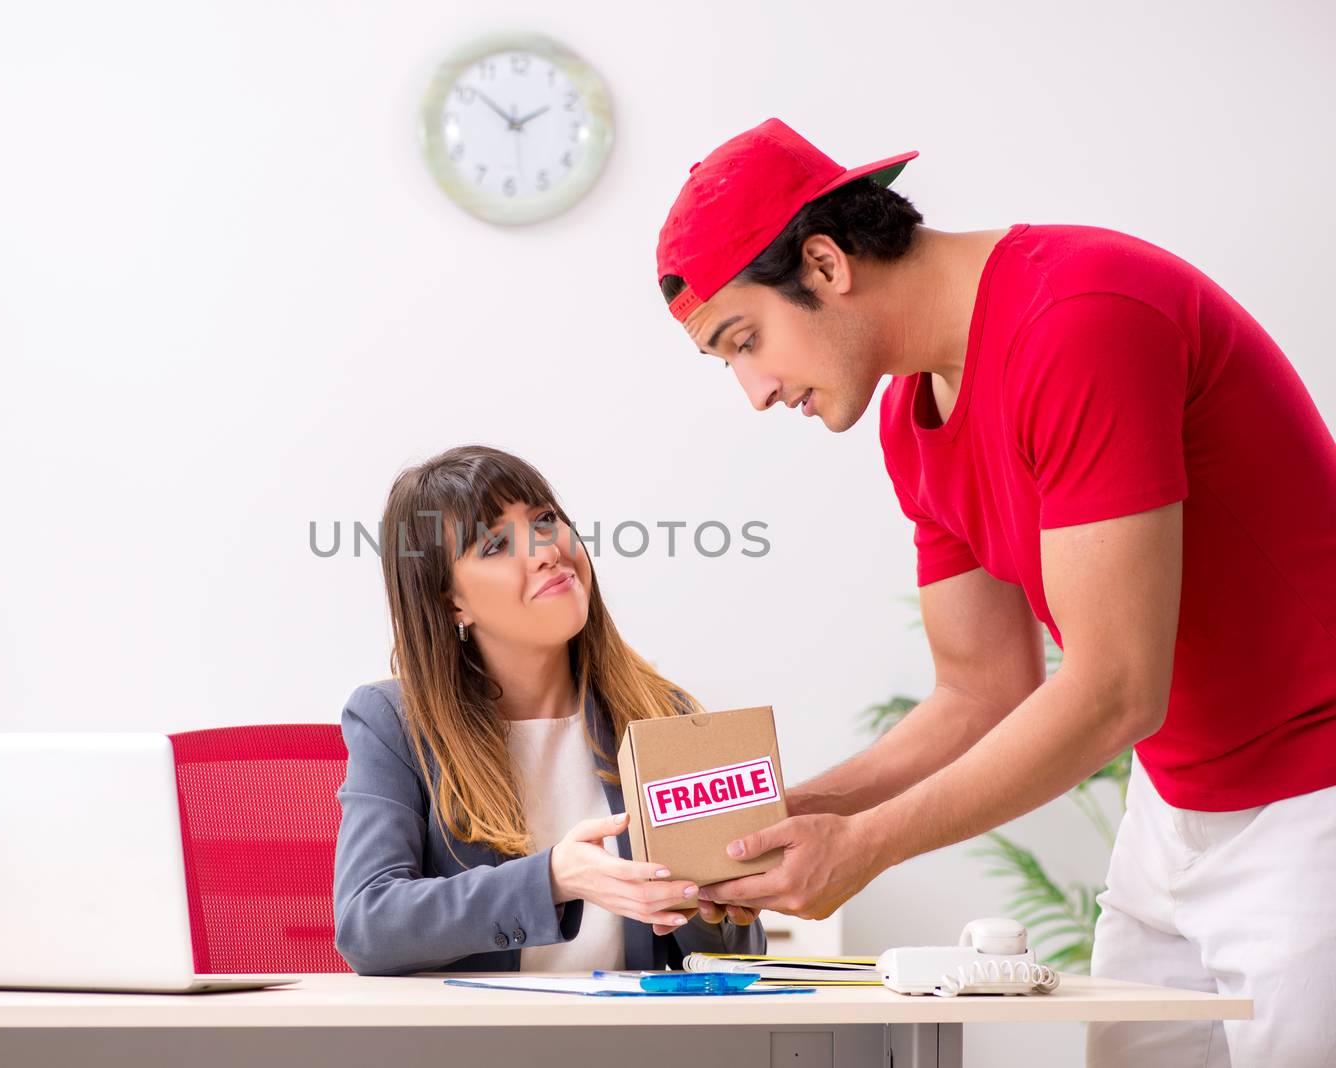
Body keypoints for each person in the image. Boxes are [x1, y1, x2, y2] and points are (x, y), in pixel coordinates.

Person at [654, 119, 1336, 1065]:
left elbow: (1112, 690)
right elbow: (981, 691)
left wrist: (870, 847)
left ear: (824, 263)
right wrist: (799, 821)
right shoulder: (912, 413)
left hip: (1313, 804)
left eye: (745, 341)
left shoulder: (1078, 319)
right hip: (1174, 809)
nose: (755, 392)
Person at [332, 444, 764, 975]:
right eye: (495, 545)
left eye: (544, 520)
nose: (544, 550)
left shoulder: (660, 713)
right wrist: (555, 878)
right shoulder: (393, 722)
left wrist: (708, 899)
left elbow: (742, 953)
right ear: (450, 603)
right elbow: (368, 925)